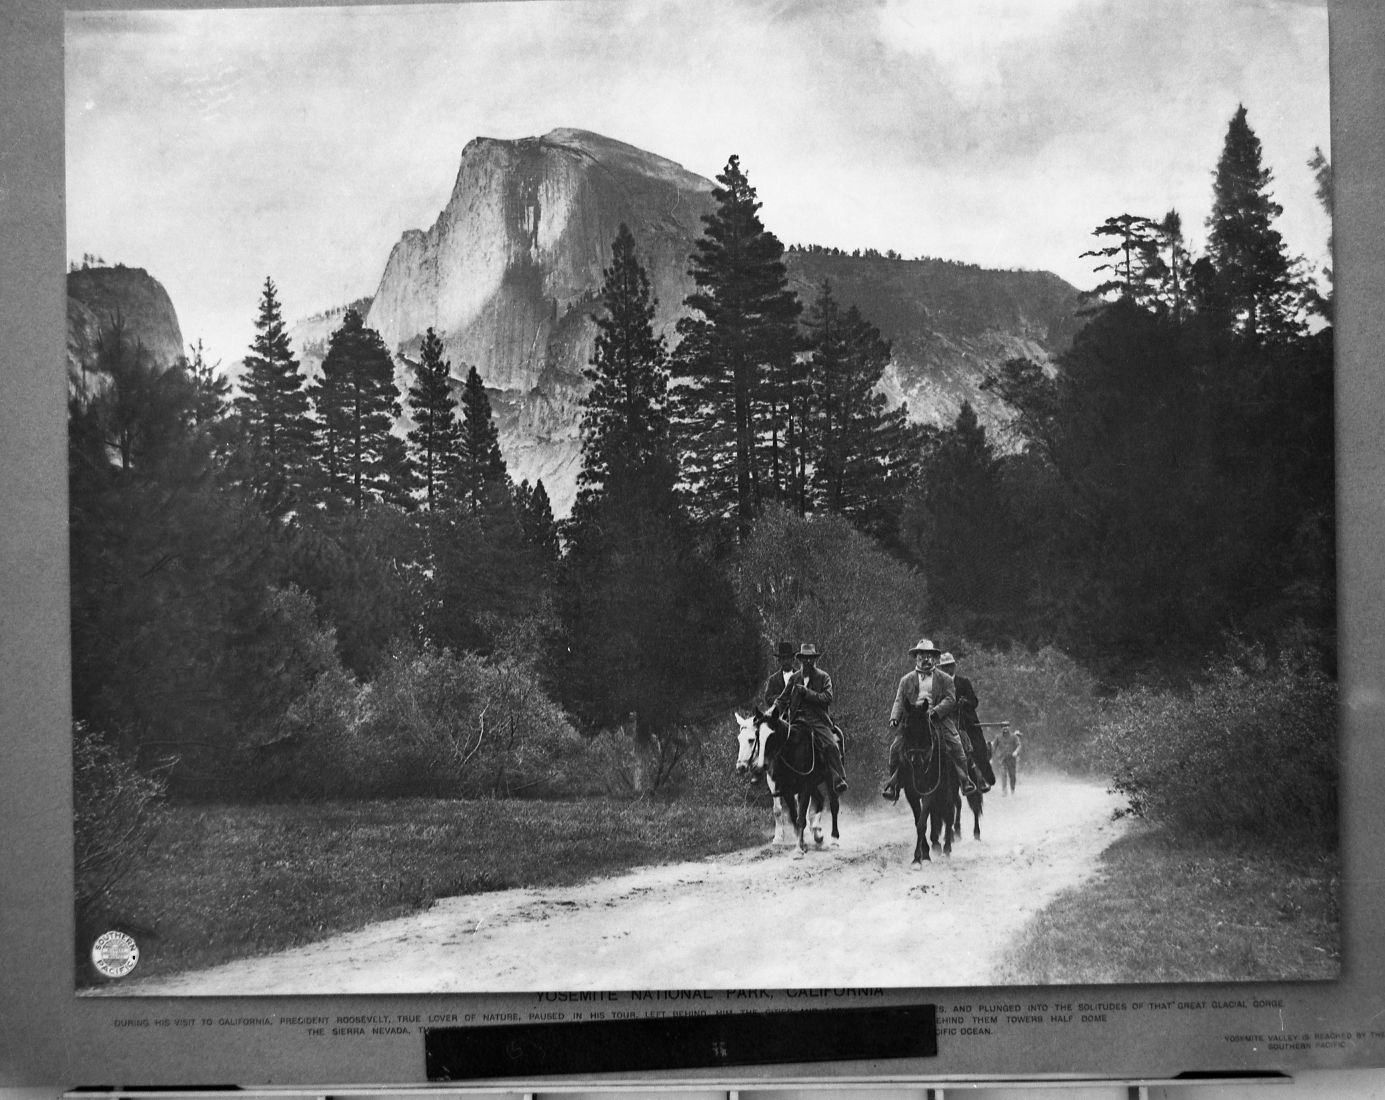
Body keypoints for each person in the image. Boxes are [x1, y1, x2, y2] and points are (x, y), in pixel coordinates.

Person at [881, 639, 989, 802]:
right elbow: (899, 700)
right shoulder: (906, 680)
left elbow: (950, 699)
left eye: (929, 655)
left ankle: (965, 779)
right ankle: (894, 785)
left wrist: (935, 712)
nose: (925, 659)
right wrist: (895, 718)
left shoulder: (944, 679)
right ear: (916, 657)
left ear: (934, 658)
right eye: (921, 655)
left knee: (957, 745)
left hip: (939, 720)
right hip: (913, 721)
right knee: (895, 749)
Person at [769, 642, 848, 794]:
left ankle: (838, 777)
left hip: (818, 720)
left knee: (831, 745)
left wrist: (807, 693)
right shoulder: (794, 678)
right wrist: (771, 713)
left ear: (814, 659)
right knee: (777, 743)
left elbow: (827, 698)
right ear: (800, 660)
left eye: (810, 658)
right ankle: (779, 781)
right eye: (805, 658)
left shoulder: (823, 677)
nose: (807, 661)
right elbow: (782, 700)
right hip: (797, 721)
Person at [938, 652, 996, 790]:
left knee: (977, 748)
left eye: (949, 666)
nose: (947, 669)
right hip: (945, 722)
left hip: (965, 722)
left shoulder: (963, 682)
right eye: (944, 667)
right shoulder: (937, 685)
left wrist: (965, 703)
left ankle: (982, 777)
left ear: (953, 667)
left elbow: (974, 702)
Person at [763, 640, 798, 709]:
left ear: (793, 659)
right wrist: (781, 699)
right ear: (779, 661)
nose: (785, 662)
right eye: (783, 659)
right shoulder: (773, 679)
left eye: (788, 658)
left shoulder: (800, 676)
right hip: (778, 715)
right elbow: (768, 698)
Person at [992, 725, 1023, 795]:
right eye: (1003, 726)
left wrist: (1016, 752)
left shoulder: (1014, 737)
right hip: (1002, 759)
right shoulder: (998, 737)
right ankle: (1004, 790)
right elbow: (993, 747)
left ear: (1009, 727)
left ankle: (1012, 789)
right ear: (1001, 728)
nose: (1005, 728)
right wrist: (994, 756)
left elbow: (1019, 745)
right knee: (1003, 774)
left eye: (1006, 726)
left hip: (1012, 759)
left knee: (1012, 776)